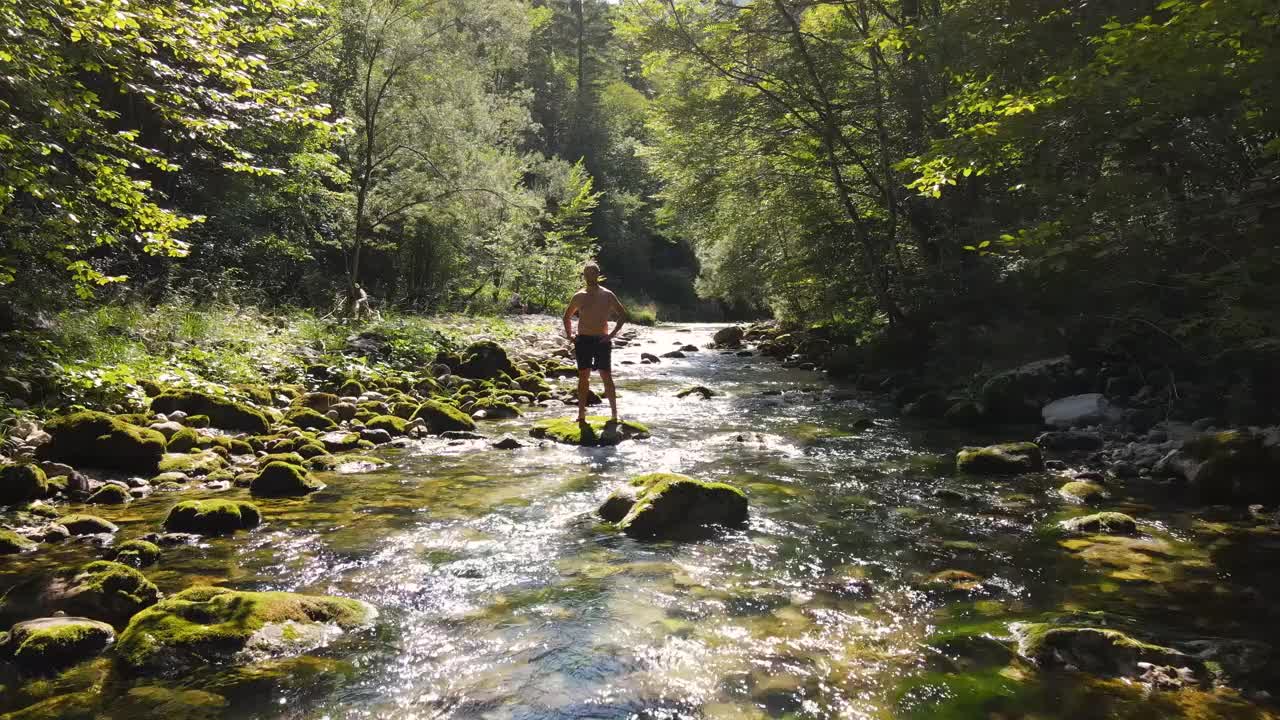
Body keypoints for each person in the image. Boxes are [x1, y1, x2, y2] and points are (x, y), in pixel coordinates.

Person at [562, 262, 628, 422]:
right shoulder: (579, 295)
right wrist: (570, 336)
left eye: (592, 273)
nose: (589, 276)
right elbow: (566, 317)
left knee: (606, 376)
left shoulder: (607, 294)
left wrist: (611, 335)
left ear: (598, 274)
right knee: (583, 376)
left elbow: (622, 315)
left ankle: (614, 414)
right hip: (583, 340)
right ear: (583, 276)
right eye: (586, 273)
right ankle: (581, 414)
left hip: (602, 340)